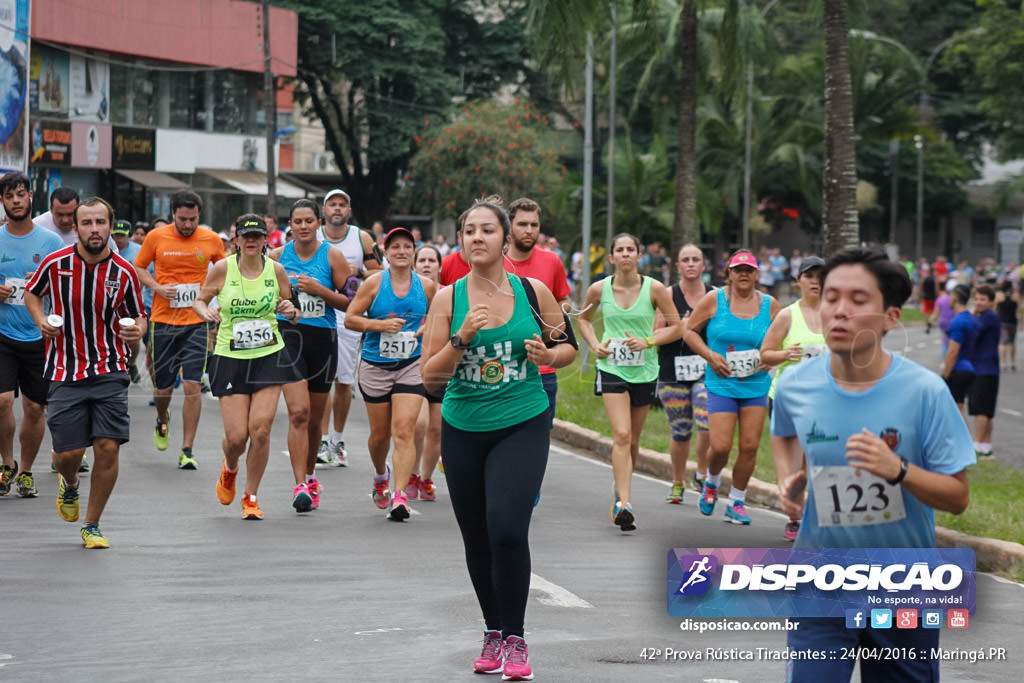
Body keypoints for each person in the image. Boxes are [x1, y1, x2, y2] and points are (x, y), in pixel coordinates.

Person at [772, 246, 973, 683]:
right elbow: (784, 434)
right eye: (830, 297)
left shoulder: (926, 392)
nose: (839, 311)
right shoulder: (796, 386)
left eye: (858, 301)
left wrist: (898, 470)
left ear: (891, 318)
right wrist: (789, 480)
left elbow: (958, 497)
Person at [421, 197, 576, 680]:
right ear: (461, 241)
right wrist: (461, 337)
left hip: (523, 419)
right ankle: (492, 629)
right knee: (478, 537)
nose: (477, 238)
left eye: (488, 230)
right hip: (464, 426)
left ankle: (516, 637)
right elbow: (430, 378)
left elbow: (568, 347)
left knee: (507, 527)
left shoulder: (532, 292)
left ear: (504, 239)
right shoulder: (448, 300)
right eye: (469, 231)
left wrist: (546, 355)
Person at [25, 196, 146, 548]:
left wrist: (137, 330)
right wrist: (41, 321)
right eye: (87, 223)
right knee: (68, 455)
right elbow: (33, 295)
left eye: (101, 223)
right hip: (65, 369)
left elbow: (138, 314)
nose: (95, 230)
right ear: (75, 227)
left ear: (110, 225)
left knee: (107, 446)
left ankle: (92, 524)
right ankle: (71, 483)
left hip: (110, 368)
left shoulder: (123, 271)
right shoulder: (56, 262)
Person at [193, 215, 301, 520]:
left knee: (261, 431)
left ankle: (251, 495)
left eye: (257, 236)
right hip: (230, 356)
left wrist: (290, 310)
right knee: (238, 437)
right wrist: (207, 312)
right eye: (246, 236)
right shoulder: (222, 269)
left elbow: (292, 310)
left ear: (265, 239)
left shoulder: (276, 271)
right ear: (236, 239)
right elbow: (200, 301)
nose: (251, 241)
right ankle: (230, 468)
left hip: (269, 355)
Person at [577, 233, 686, 532]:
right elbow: (583, 320)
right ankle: (624, 503)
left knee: (634, 440)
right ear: (611, 257)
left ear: (639, 255)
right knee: (622, 435)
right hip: (611, 367)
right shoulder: (600, 289)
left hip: (645, 370)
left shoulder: (656, 289)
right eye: (619, 250)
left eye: (630, 250)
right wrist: (595, 344)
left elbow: (677, 327)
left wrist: (648, 341)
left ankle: (620, 485)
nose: (625, 254)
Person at [344, 227, 436, 520]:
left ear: (414, 251)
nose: (400, 251)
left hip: (411, 365)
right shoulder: (373, 284)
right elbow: (350, 319)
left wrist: (426, 328)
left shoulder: (428, 286)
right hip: (375, 365)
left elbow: (441, 317)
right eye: (394, 247)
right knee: (380, 436)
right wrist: (379, 326)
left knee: (404, 430)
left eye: (406, 247)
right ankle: (380, 473)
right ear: (385, 252)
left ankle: (399, 496)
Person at [683, 250, 781, 525]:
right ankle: (712, 482)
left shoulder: (770, 305)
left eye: (749, 270)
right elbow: (689, 331)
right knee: (721, 445)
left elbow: (784, 336)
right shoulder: (715, 300)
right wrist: (710, 356)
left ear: (757, 274)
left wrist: (769, 357)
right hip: (721, 383)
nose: (744, 275)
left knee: (749, 447)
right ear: (729, 273)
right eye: (738, 270)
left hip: (755, 385)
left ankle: (737, 500)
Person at [134, 190, 225, 469]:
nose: (188, 224)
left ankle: (187, 449)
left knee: (193, 385)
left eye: (193, 219)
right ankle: (163, 419)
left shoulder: (211, 240)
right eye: (183, 219)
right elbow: (138, 267)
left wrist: (219, 301)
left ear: (200, 215)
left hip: (196, 323)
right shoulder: (156, 237)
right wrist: (158, 287)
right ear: (173, 214)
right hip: (163, 321)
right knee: (163, 389)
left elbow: (224, 270)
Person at [271, 199, 350, 512]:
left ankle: (311, 475)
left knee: (316, 419)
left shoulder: (333, 256)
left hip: (323, 339)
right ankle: (299, 485)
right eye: (297, 221)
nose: (303, 227)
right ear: (290, 224)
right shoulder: (277, 258)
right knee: (298, 413)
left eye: (308, 221)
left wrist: (321, 290)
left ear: (319, 222)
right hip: (289, 338)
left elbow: (350, 303)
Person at [0, 173, 64, 498]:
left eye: (20, 195)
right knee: (2, 400)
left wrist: (46, 283)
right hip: (3, 333)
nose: (15, 201)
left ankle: (25, 470)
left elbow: (67, 287)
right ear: (2, 201)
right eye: (9, 196)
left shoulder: (51, 243)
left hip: (40, 335)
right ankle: (6, 464)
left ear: (29, 198)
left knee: (35, 408)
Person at [760, 255, 825, 541]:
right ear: (798, 281)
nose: (815, 281)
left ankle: (815, 516)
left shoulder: (837, 315)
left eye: (821, 276)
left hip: (824, 401)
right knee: (796, 463)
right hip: (787, 400)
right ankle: (795, 519)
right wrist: (785, 354)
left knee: (819, 461)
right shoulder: (787, 315)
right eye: (809, 276)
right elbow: (765, 353)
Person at [317, 189, 383, 466]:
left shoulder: (361, 237)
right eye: (332, 204)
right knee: (320, 379)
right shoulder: (313, 233)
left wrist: (357, 272)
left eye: (342, 204)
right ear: (324, 210)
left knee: (343, 380)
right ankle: (321, 440)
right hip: (318, 313)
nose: (337, 208)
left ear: (349, 210)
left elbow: (380, 273)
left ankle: (337, 438)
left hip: (349, 314)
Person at [504, 198, 572, 429]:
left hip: (543, 368)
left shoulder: (552, 261)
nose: (529, 230)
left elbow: (563, 297)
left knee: (538, 436)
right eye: (522, 224)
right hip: (504, 368)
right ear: (509, 226)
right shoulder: (496, 263)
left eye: (534, 225)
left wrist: (561, 312)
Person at [655, 244, 713, 504]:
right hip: (673, 371)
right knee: (680, 431)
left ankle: (701, 473)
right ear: (677, 266)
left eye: (695, 259)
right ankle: (677, 481)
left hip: (707, 370)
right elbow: (655, 335)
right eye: (685, 260)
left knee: (707, 421)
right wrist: (682, 328)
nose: (691, 264)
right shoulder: (668, 295)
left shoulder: (716, 296)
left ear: (703, 265)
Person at [410, 244, 443, 501]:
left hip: (442, 367)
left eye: (432, 260)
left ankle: (426, 478)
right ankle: (410, 473)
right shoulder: (408, 293)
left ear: (439, 266)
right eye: (422, 260)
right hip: (412, 366)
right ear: (414, 265)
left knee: (437, 428)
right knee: (418, 424)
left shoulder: (450, 295)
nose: (427, 264)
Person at [968, 285, 1000, 460]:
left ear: (991, 302)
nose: (978, 303)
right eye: (976, 299)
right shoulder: (989, 316)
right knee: (987, 410)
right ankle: (985, 446)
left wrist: (970, 314)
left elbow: (973, 329)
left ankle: (977, 445)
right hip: (989, 368)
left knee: (981, 409)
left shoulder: (988, 317)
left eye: (982, 300)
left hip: (983, 368)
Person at [34, 186, 118, 253]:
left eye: (70, 214)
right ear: (51, 209)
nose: (65, 220)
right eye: (60, 214)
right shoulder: (37, 226)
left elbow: (113, 256)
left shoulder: (93, 227)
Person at [941, 285, 976, 424]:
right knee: (959, 406)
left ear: (955, 297)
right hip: (970, 366)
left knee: (956, 408)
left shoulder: (958, 321)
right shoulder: (970, 318)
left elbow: (953, 351)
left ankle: (965, 442)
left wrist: (945, 373)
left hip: (959, 368)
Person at [996, 280, 1019, 372]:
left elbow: (994, 308)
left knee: (1002, 342)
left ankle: (1003, 363)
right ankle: (1012, 362)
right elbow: (1019, 310)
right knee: (1012, 342)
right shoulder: (1015, 295)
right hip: (1012, 321)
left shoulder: (999, 295)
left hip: (1002, 321)